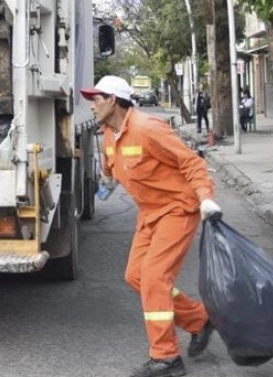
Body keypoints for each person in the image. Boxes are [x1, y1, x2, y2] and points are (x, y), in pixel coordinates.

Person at [81, 75, 222, 377]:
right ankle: (198, 320)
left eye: (97, 99)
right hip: (150, 214)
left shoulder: (148, 129)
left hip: (177, 210)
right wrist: (104, 182)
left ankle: (167, 357)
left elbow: (191, 163)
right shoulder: (108, 134)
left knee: (155, 277)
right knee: (135, 276)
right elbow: (110, 166)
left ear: (115, 101)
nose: (92, 106)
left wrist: (206, 198)